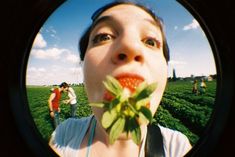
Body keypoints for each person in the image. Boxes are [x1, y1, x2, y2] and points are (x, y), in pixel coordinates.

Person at [49, 1, 192, 157]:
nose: (129, 45)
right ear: (83, 65)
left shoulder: (177, 147)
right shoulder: (64, 135)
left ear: (166, 68)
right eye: (104, 36)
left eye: (150, 41)